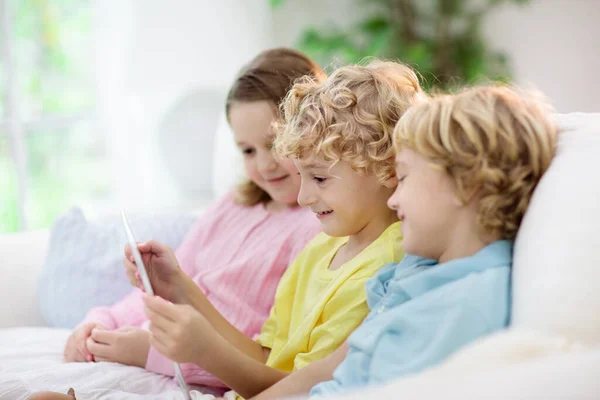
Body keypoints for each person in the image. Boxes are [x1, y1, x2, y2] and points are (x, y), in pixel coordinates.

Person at [135, 60, 425, 399]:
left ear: (387, 168)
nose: (302, 197)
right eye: (301, 176)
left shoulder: (385, 270)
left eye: (319, 178)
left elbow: (299, 392)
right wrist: (181, 289)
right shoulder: (321, 249)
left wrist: (206, 352)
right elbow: (266, 358)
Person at [251, 84, 558, 399]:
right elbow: (336, 367)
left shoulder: (466, 306)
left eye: (405, 177)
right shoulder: (419, 265)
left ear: (465, 186)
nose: (393, 199)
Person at [61, 48, 325, 390]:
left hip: (189, 373)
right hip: (145, 350)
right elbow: (170, 286)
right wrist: (101, 320)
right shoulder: (232, 206)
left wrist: (152, 354)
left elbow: (267, 361)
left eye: (274, 143)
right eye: (247, 150)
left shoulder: (316, 228)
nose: (263, 165)